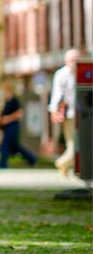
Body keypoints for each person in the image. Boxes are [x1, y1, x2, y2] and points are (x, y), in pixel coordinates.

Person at [49, 49, 79, 177]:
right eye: (73, 60)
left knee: (76, 143)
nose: (75, 63)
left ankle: (66, 167)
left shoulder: (82, 72)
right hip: (70, 115)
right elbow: (56, 94)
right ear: (66, 61)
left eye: (77, 59)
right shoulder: (61, 74)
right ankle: (63, 162)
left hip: (83, 114)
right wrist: (54, 111)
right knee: (74, 143)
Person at [0, 80, 37, 169]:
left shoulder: (14, 100)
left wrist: (7, 119)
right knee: (15, 146)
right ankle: (32, 159)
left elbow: (19, 113)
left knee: (5, 144)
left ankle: (2, 163)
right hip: (7, 127)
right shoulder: (5, 100)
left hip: (13, 126)